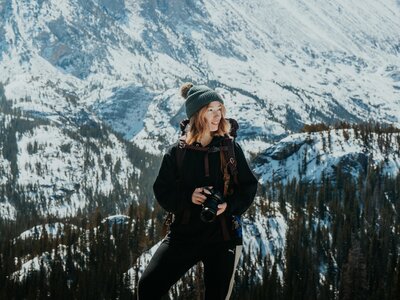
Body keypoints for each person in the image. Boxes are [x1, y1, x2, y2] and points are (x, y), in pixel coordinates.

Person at [137, 83, 258, 299]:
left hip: (222, 237)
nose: (217, 116)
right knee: (148, 287)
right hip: (184, 235)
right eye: (210, 110)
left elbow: (248, 187)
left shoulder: (230, 148)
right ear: (197, 114)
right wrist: (188, 198)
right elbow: (162, 190)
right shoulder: (178, 152)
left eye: (219, 109)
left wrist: (228, 206)